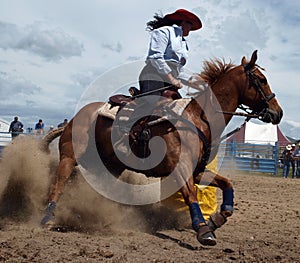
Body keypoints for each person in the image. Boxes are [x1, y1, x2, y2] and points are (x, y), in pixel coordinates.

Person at [114, 9, 206, 154]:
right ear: (183, 22)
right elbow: (155, 57)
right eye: (190, 25)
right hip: (153, 74)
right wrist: (171, 78)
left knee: (179, 111)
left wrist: (187, 82)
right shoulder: (164, 32)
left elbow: (179, 67)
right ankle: (125, 135)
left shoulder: (183, 43)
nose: (191, 29)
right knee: (151, 102)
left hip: (171, 77)